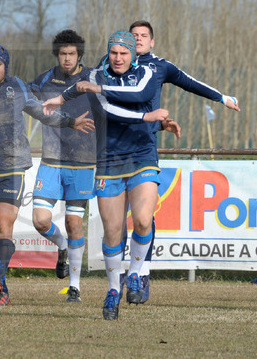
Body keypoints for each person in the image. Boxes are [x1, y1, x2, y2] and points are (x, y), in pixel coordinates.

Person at [42, 31, 173, 320]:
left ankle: (137, 273)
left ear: (132, 54)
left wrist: (156, 123)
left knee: (142, 220)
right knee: (113, 232)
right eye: (113, 52)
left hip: (142, 158)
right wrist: (60, 99)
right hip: (108, 162)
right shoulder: (98, 76)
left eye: (124, 53)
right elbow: (106, 106)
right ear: (108, 53)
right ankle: (114, 289)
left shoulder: (147, 73)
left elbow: (139, 97)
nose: (118, 58)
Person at [0, 44, 94, 307]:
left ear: (6, 66)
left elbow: (42, 112)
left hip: (11, 168)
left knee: (4, 226)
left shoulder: (18, 88)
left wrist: (71, 122)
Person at [126, 20, 240, 303]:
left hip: (143, 151)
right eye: (134, 36)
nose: (138, 39)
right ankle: (120, 278)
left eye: (143, 36)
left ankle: (141, 274)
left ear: (152, 42)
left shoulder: (159, 67)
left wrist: (221, 97)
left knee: (143, 218)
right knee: (115, 222)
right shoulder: (112, 63)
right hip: (113, 151)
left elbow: (190, 83)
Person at [28, 29, 95, 302]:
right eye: (62, 53)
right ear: (57, 54)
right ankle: (63, 246)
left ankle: (75, 286)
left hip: (83, 162)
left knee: (73, 222)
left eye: (72, 54)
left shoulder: (92, 78)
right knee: (40, 220)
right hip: (51, 161)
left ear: (80, 55)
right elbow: (27, 101)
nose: (67, 59)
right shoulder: (45, 78)